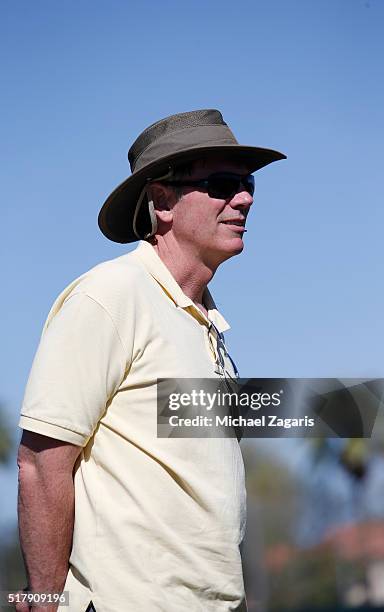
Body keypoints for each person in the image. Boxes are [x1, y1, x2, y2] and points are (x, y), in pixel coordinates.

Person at [17, 109, 286, 612]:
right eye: (224, 184)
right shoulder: (111, 295)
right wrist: (44, 601)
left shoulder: (205, 322)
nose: (245, 198)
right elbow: (40, 461)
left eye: (247, 183)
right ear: (163, 202)